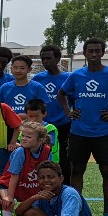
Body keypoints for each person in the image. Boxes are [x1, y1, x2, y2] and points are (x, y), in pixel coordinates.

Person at [58, 38, 108, 216]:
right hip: (79, 131)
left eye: (97, 51)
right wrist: (68, 112)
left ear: (103, 52)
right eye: (90, 51)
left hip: (103, 132)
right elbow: (61, 93)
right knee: (77, 170)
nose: (94, 54)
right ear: (84, 53)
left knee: (107, 170)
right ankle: (76, 211)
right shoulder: (76, 75)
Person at [0, 121, 53, 216]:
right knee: (8, 203)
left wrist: (47, 192)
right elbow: (14, 176)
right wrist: (10, 196)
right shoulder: (20, 152)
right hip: (10, 185)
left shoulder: (46, 151)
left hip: (31, 187)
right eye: (23, 135)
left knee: (48, 204)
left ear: (40, 140)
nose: (23, 138)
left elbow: (49, 173)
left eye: (28, 137)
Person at [32, 44, 73, 179]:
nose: (45, 62)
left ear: (58, 59)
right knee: (42, 157)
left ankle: (64, 188)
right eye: (43, 59)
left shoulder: (68, 77)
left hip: (64, 124)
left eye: (48, 58)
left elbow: (75, 99)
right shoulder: (38, 79)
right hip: (44, 127)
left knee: (64, 159)